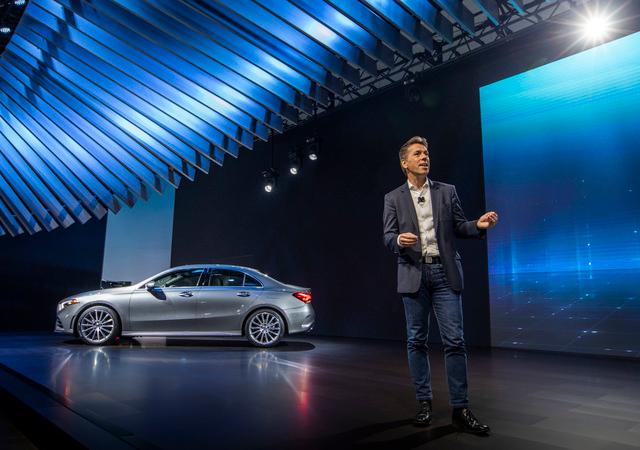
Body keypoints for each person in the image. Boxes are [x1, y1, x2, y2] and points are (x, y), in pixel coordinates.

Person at [382, 136, 498, 434]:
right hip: (413, 273)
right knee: (416, 341)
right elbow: (387, 236)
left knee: (455, 342)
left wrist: (478, 225)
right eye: (417, 154)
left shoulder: (447, 191)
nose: (424, 157)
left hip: (445, 273)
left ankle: (461, 409)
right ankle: (424, 403)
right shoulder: (393, 197)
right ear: (404, 163)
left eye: (426, 153)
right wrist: (398, 240)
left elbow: (460, 226)